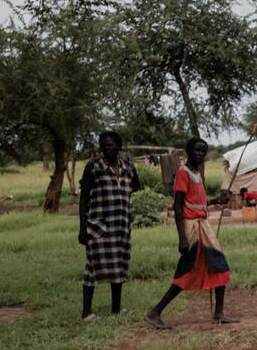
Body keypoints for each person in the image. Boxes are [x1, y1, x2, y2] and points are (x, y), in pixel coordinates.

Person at [145, 138, 237, 328]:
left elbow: (195, 202)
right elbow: (178, 206)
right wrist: (182, 238)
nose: (200, 155)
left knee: (219, 265)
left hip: (203, 225)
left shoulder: (196, 173)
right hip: (191, 227)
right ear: (188, 151)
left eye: (203, 152)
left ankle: (219, 312)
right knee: (187, 269)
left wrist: (215, 201)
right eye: (196, 151)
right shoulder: (183, 173)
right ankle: (155, 312)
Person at [77, 130, 140, 320]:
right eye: (103, 145)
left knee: (119, 266)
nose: (106, 148)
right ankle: (86, 311)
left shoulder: (128, 166)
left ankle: (116, 308)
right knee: (93, 268)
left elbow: (136, 187)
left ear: (119, 146)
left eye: (110, 145)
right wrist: (82, 228)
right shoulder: (93, 166)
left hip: (121, 225)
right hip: (98, 227)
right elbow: (83, 198)